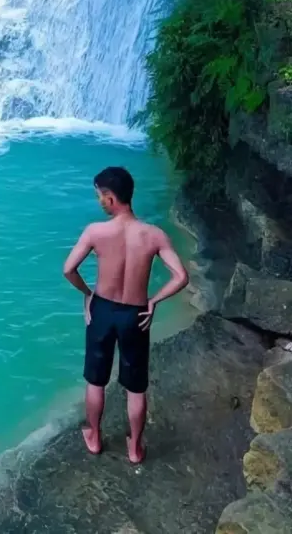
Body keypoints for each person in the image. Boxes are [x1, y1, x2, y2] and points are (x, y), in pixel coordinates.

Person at [62, 166, 188, 464]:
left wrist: (87, 294)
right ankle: (135, 449)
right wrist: (154, 301)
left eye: (99, 197)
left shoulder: (96, 232)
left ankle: (94, 436)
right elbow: (181, 276)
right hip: (136, 314)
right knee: (135, 387)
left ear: (110, 198)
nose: (98, 202)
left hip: (102, 311)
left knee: (96, 381)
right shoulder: (153, 235)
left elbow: (68, 269)